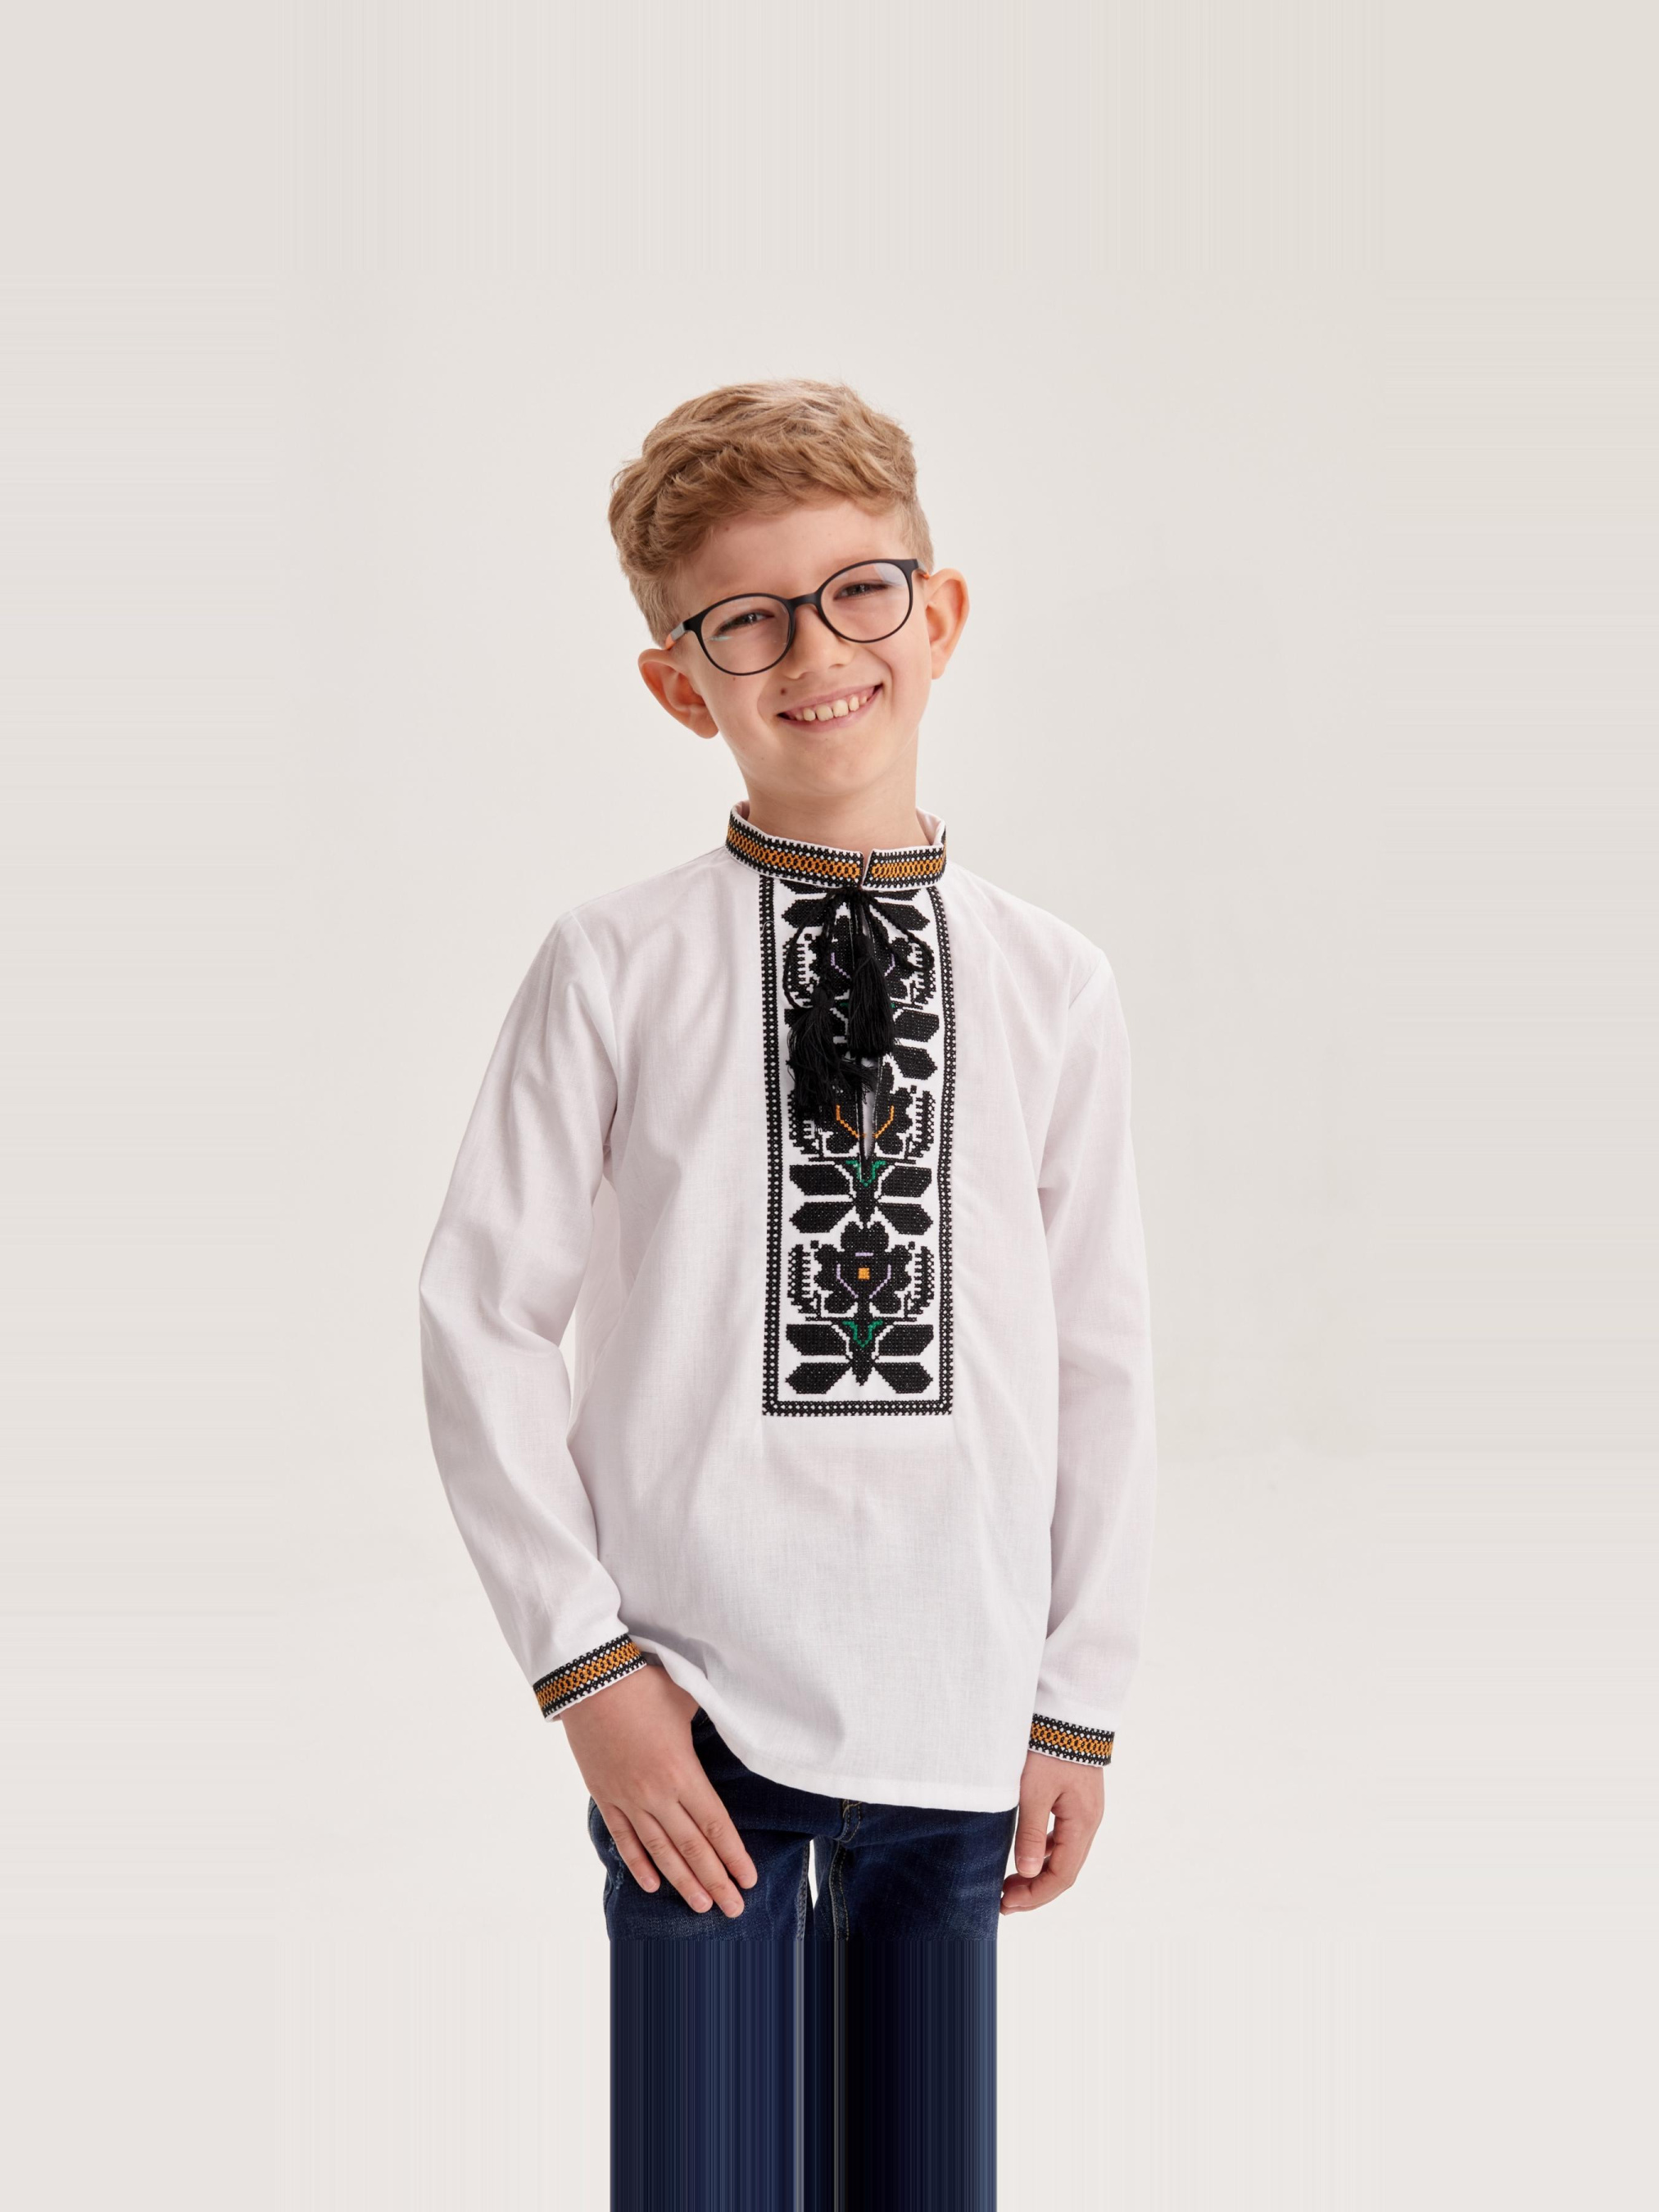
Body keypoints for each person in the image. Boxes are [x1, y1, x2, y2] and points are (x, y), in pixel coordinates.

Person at [417, 378, 1158, 2210]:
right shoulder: (613, 964)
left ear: (938, 611)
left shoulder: (1051, 983)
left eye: (857, 592)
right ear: (681, 683)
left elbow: (1100, 1361)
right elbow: (480, 1319)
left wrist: (1075, 1698)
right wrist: (587, 1674)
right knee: (704, 2159)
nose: (816, 651)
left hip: (961, 1707)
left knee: (916, 2161)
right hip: (689, 1718)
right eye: (745, 620)